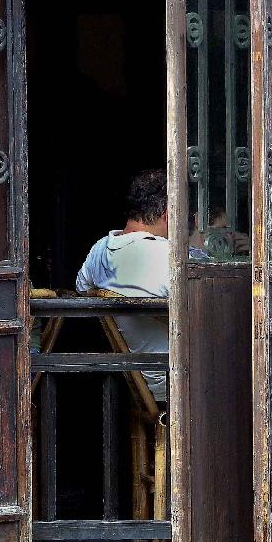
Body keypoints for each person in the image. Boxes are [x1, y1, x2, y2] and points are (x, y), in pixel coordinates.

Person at [76, 169, 170, 402]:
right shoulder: (166, 255)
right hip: (173, 377)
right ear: (169, 215)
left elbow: (81, 288)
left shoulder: (100, 248)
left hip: (134, 378)